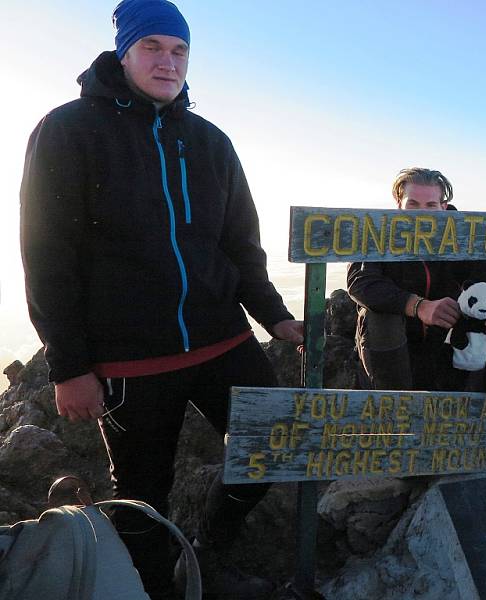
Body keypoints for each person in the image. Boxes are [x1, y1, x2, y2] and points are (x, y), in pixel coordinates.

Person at [19, 1, 303, 598]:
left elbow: (239, 243)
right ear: (123, 52)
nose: (168, 62)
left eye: (179, 51)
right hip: (129, 359)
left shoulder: (209, 140)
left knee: (274, 445)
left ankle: (208, 548)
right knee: (142, 496)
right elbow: (47, 255)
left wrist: (274, 316)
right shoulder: (67, 130)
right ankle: (156, 587)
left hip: (223, 339)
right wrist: (69, 366)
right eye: (152, 47)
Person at [346, 167, 486, 395]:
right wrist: (418, 306)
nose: (422, 214)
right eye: (413, 204)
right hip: (393, 348)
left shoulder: (463, 237)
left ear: (443, 207)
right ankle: (394, 407)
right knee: (379, 315)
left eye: (430, 206)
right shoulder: (379, 233)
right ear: (399, 204)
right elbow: (360, 282)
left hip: (445, 345)